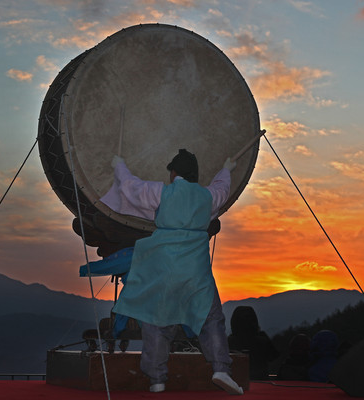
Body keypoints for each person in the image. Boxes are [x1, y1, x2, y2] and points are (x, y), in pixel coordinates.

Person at [110, 149, 243, 395]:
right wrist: (226, 169)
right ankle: (221, 369)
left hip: (163, 267)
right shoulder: (207, 196)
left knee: (156, 320)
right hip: (195, 268)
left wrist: (119, 165)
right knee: (210, 318)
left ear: (174, 173)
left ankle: (157, 379)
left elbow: (131, 187)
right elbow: (222, 189)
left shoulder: (162, 192)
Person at [228, 306, 279, 380]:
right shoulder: (263, 341)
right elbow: (273, 357)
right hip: (262, 382)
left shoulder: (228, 342)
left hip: (236, 382)